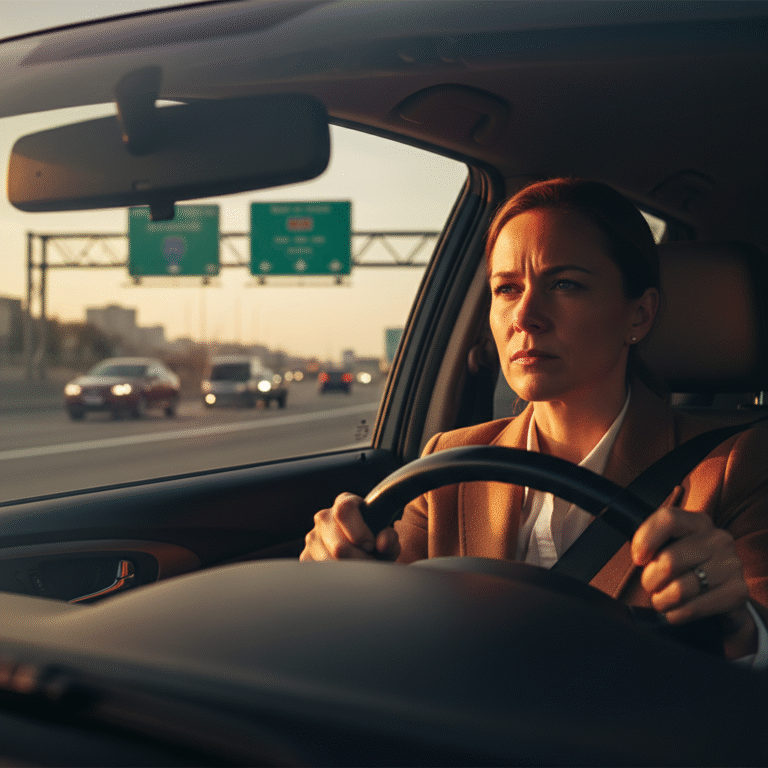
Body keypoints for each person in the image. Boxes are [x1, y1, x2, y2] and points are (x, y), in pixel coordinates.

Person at [301, 178, 768, 664]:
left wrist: (736, 622)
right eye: (506, 288)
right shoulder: (447, 462)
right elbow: (387, 633)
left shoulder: (738, 463)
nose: (525, 315)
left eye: (565, 284)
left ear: (639, 316)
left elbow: (758, 634)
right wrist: (340, 568)